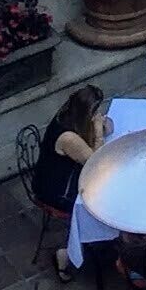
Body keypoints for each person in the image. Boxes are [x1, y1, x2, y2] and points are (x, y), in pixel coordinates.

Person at [34, 84, 106, 278]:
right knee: (101, 202)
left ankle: (103, 237)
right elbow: (94, 161)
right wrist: (98, 131)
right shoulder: (68, 137)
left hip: (61, 174)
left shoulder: (69, 117)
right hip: (57, 189)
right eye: (95, 111)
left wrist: (101, 123)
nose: (98, 114)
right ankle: (65, 254)